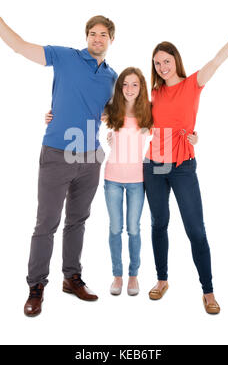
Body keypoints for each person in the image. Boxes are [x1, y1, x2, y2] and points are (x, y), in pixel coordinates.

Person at [0, 0, 118, 317]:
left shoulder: (112, 77)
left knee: (78, 221)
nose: (98, 39)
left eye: (104, 35)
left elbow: (113, 113)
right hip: (57, 154)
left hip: (90, 157)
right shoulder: (65, 57)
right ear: (86, 38)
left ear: (111, 40)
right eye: (93, 33)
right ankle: (36, 286)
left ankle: (71, 277)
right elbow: (20, 46)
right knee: (46, 223)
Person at [46, 69, 198, 296]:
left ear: (141, 87)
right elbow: (82, 113)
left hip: (138, 180)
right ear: (120, 88)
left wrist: (192, 136)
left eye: (134, 85)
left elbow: (172, 122)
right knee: (116, 229)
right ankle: (117, 276)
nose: (129, 89)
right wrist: (54, 115)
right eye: (125, 84)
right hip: (113, 179)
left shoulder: (148, 111)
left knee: (134, 229)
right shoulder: (111, 110)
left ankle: (133, 276)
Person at [143, 15, 228, 314]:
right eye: (157, 63)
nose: (162, 67)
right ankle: (162, 280)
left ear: (175, 60)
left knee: (195, 229)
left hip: (183, 166)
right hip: (154, 166)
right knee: (158, 224)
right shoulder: (154, 93)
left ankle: (208, 290)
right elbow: (133, 116)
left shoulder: (193, 84)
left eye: (166, 61)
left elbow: (217, 61)